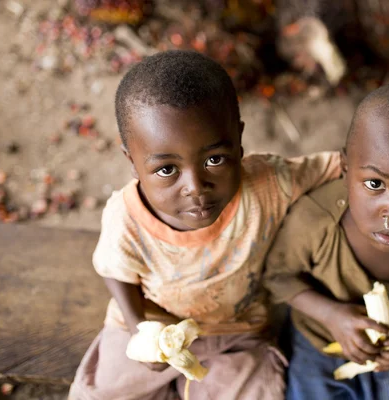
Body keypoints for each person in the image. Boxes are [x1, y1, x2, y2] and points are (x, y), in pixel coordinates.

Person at [68, 49, 346, 400]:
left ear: (239, 140)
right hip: (152, 323)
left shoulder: (271, 182)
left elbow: (343, 164)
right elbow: (116, 271)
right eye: (167, 169)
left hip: (237, 332)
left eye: (215, 159)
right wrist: (141, 329)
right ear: (133, 162)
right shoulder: (126, 217)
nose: (196, 187)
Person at [264, 82, 389, 400]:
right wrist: (331, 315)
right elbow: (276, 276)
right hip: (319, 333)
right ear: (345, 169)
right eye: (375, 183)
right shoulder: (316, 220)